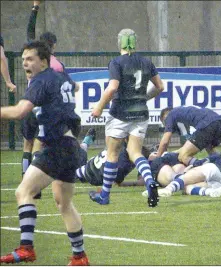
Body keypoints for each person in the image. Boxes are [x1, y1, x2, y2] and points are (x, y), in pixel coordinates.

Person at [0, 41, 89, 265]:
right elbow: (74, 88)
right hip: (71, 147)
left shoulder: (42, 80)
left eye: (30, 59)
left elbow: (20, 111)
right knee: (64, 203)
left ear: (44, 61)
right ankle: (80, 256)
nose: (25, 64)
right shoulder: (61, 78)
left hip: (57, 146)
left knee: (23, 192)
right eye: (22, 61)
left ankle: (26, 248)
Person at [89, 28, 164, 207]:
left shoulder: (116, 62)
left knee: (112, 154)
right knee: (135, 153)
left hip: (120, 114)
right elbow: (160, 87)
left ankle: (105, 195)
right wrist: (144, 97)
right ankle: (149, 181)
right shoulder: (147, 62)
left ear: (119, 42)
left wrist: (99, 106)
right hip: (141, 114)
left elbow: (113, 87)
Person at [21, 1, 72, 199]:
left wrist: (35, 8)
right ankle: (37, 185)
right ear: (54, 46)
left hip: (29, 106)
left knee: (27, 145)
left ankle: (28, 182)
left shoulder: (32, 58)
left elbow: (29, 33)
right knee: (42, 146)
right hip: (48, 112)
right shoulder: (58, 65)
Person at [154, 106, 221, 166]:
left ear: (164, 118)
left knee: (183, 156)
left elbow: (165, 142)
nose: (167, 126)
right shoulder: (181, 112)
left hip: (207, 125)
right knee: (209, 148)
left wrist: (157, 158)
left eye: (165, 124)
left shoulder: (170, 115)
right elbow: (187, 144)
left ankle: (206, 166)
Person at [153, 153, 221, 198]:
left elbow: (202, 162)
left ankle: (169, 189)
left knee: (184, 179)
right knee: (187, 188)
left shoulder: (219, 156)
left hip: (214, 169)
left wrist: (192, 167)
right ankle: (208, 192)